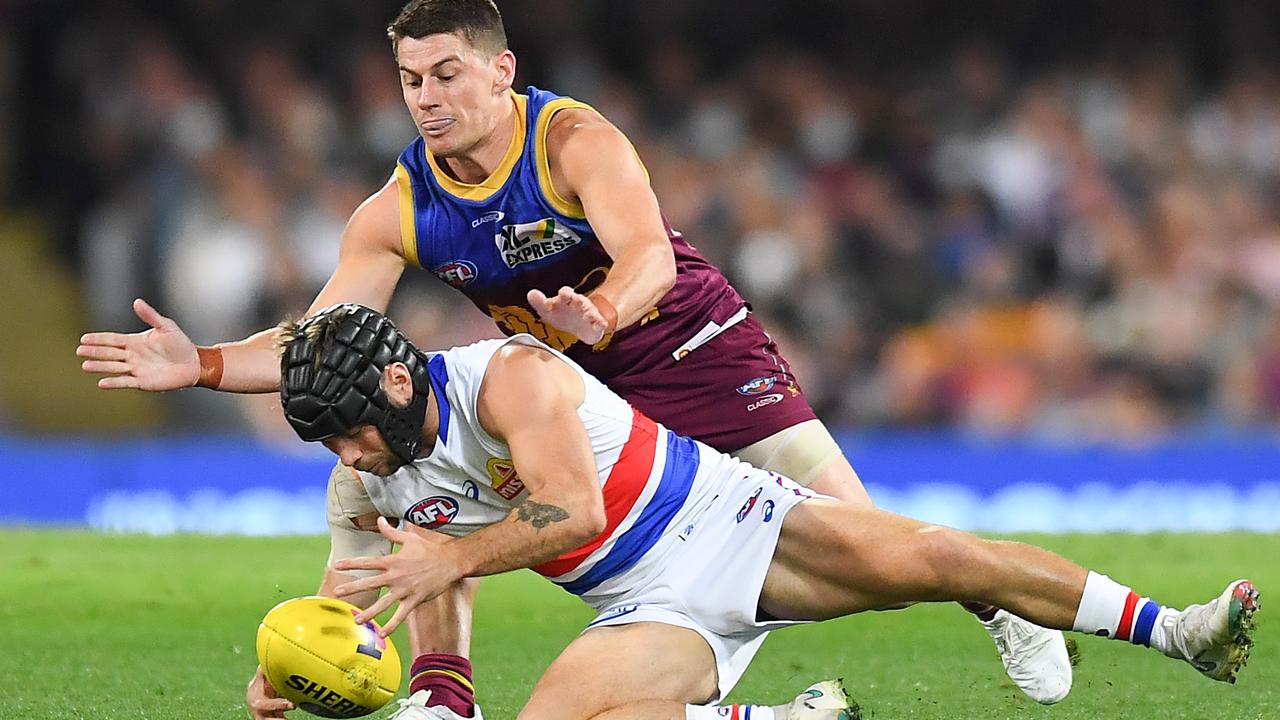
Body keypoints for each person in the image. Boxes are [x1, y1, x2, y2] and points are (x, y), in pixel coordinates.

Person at [77, 0, 1072, 713]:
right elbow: (321, 344)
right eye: (410, 81)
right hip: (567, 386)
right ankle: (440, 694)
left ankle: (993, 595)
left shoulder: (573, 141)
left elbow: (645, 253)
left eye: (447, 73)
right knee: (398, 484)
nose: (426, 98)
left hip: (684, 346)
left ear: (500, 70)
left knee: (857, 534)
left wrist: (599, 312)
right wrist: (201, 362)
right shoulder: (399, 211)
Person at [275, 304, 1257, 720]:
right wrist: (290, 673)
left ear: (399, 381)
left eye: (353, 432)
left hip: (731, 523)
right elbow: (353, 604)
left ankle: (1180, 633)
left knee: (941, 559)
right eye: (332, 445)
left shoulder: (509, 380)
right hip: (644, 606)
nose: (350, 457)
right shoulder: (367, 473)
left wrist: (450, 560)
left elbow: (569, 511)